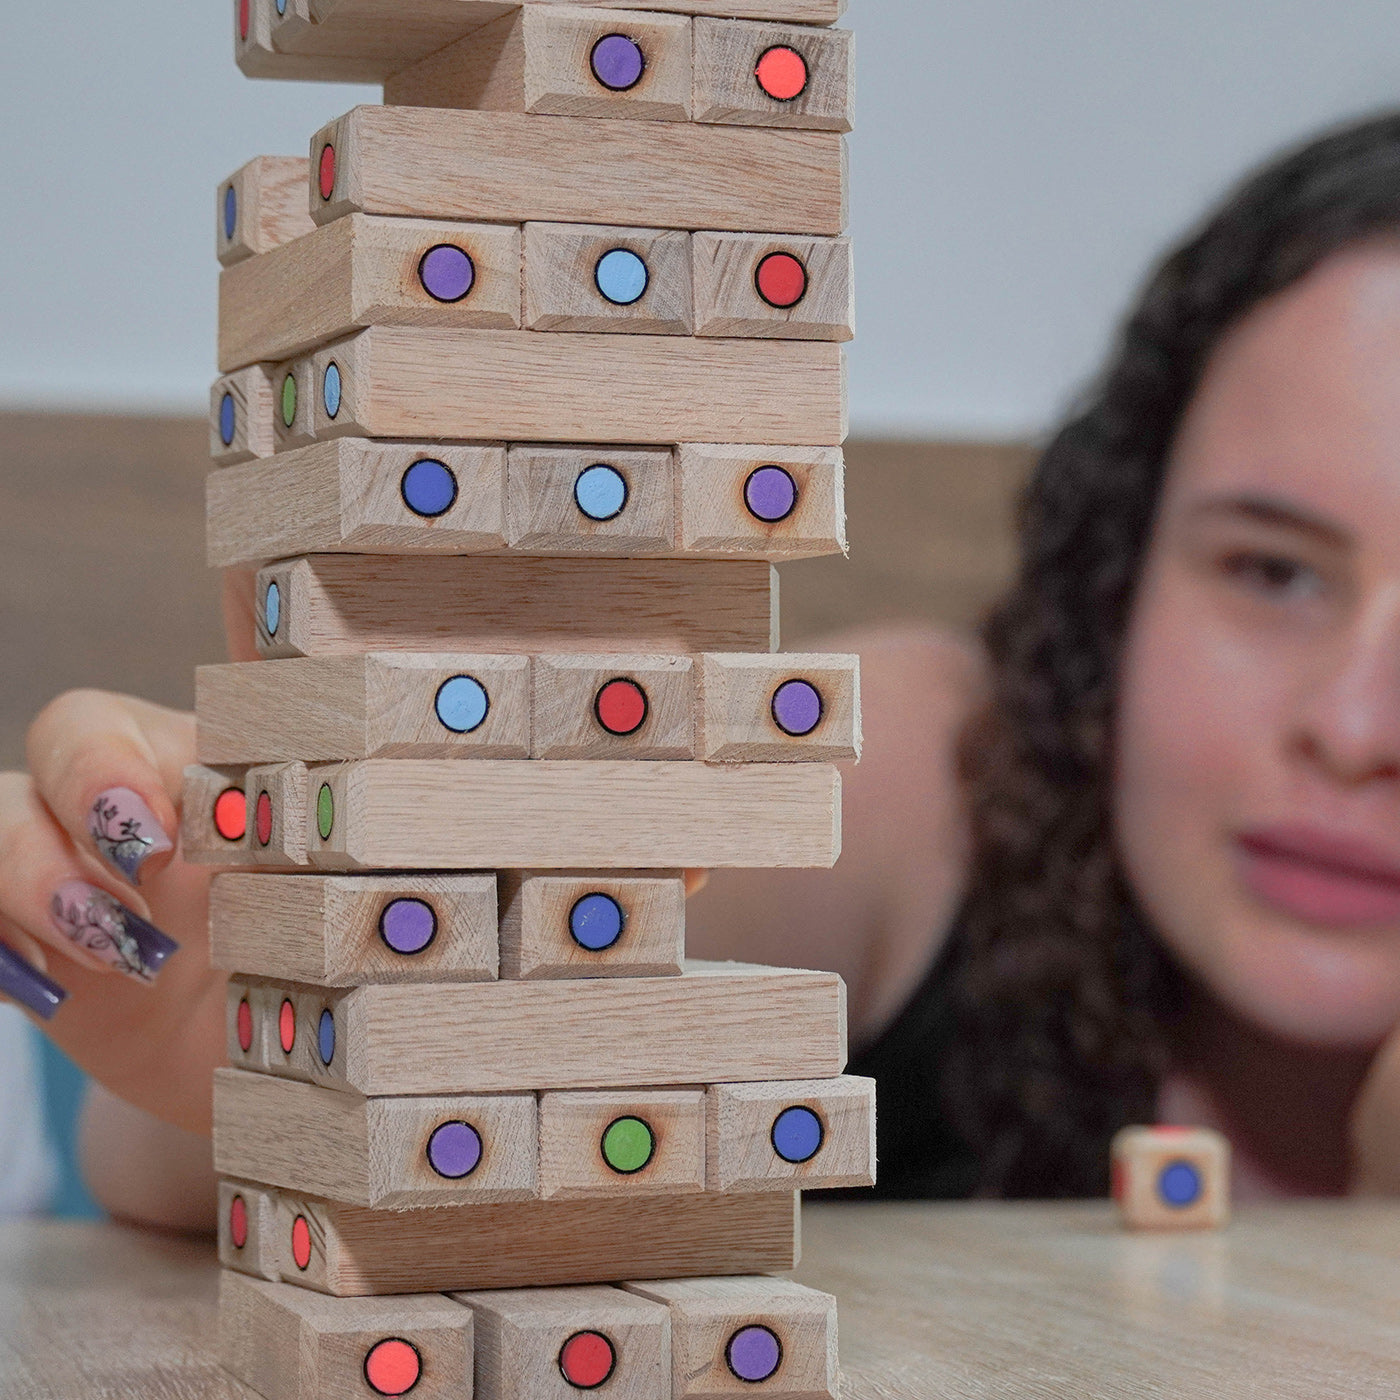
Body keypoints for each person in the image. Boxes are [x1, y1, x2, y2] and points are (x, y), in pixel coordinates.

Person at [8, 112, 1400, 1224]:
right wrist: (290, 1027)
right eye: (1270, 570)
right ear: (1124, 566)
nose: (1355, 724)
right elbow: (236, 1112)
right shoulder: (935, 776)